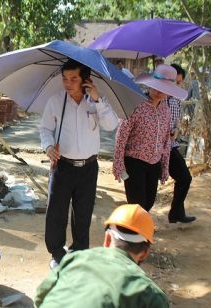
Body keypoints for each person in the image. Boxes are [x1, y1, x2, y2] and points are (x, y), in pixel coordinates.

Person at [39, 59, 119, 269]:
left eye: (74, 78)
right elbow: (45, 129)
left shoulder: (96, 102)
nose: (68, 83)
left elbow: (111, 125)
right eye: (65, 78)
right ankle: (57, 254)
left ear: (86, 79)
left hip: (89, 168)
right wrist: (48, 147)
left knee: (83, 212)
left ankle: (79, 251)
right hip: (62, 166)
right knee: (56, 212)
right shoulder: (56, 102)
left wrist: (98, 99)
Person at [35, 204, 169, 308]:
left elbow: (40, 297)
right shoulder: (150, 294)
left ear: (108, 239)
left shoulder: (74, 259)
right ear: (145, 253)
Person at [113, 64, 188, 212]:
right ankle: (135, 232)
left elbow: (166, 142)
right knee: (137, 205)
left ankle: (140, 230)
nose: (159, 92)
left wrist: (165, 166)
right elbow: (121, 135)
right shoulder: (136, 105)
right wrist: (118, 163)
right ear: (150, 85)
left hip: (154, 163)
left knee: (149, 202)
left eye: (163, 89)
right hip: (134, 162)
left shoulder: (166, 110)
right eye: (156, 87)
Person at [166, 64, 196, 223]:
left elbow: (175, 120)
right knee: (146, 193)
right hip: (154, 148)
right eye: (173, 82)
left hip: (171, 146)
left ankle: (176, 213)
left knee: (184, 178)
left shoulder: (176, 99)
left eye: (179, 83)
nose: (176, 86)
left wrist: (176, 130)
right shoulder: (157, 98)